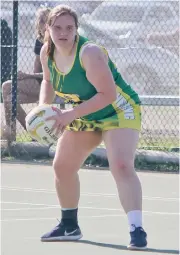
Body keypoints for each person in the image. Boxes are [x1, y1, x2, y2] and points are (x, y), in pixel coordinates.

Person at [39, 4, 147, 250]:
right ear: (49, 29)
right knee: (62, 166)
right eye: (57, 28)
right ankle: (69, 226)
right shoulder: (47, 52)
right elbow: (47, 80)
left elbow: (107, 94)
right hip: (84, 111)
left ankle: (136, 228)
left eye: (69, 27)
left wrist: (70, 114)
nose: (63, 33)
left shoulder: (90, 53)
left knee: (120, 165)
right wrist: (42, 109)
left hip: (117, 109)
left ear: (77, 29)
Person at [1, 7, 64, 141]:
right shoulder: (39, 41)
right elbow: (37, 71)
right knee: (9, 95)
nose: (42, 24)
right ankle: (23, 132)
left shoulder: (58, 42)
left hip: (55, 85)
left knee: (8, 89)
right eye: (40, 20)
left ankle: (34, 133)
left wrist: (27, 75)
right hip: (39, 83)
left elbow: (53, 75)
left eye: (45, 20)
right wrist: (26, 76)